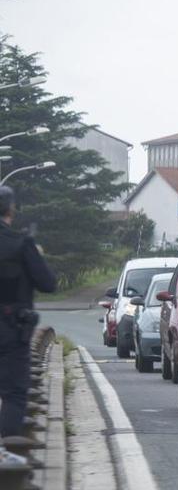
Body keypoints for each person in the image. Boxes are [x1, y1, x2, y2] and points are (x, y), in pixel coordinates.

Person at [0, 186, 56, 443]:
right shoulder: (21, 244)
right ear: (11, 209)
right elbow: (48, 284)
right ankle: (6, 458)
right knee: (13, 394)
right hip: (12, 331)